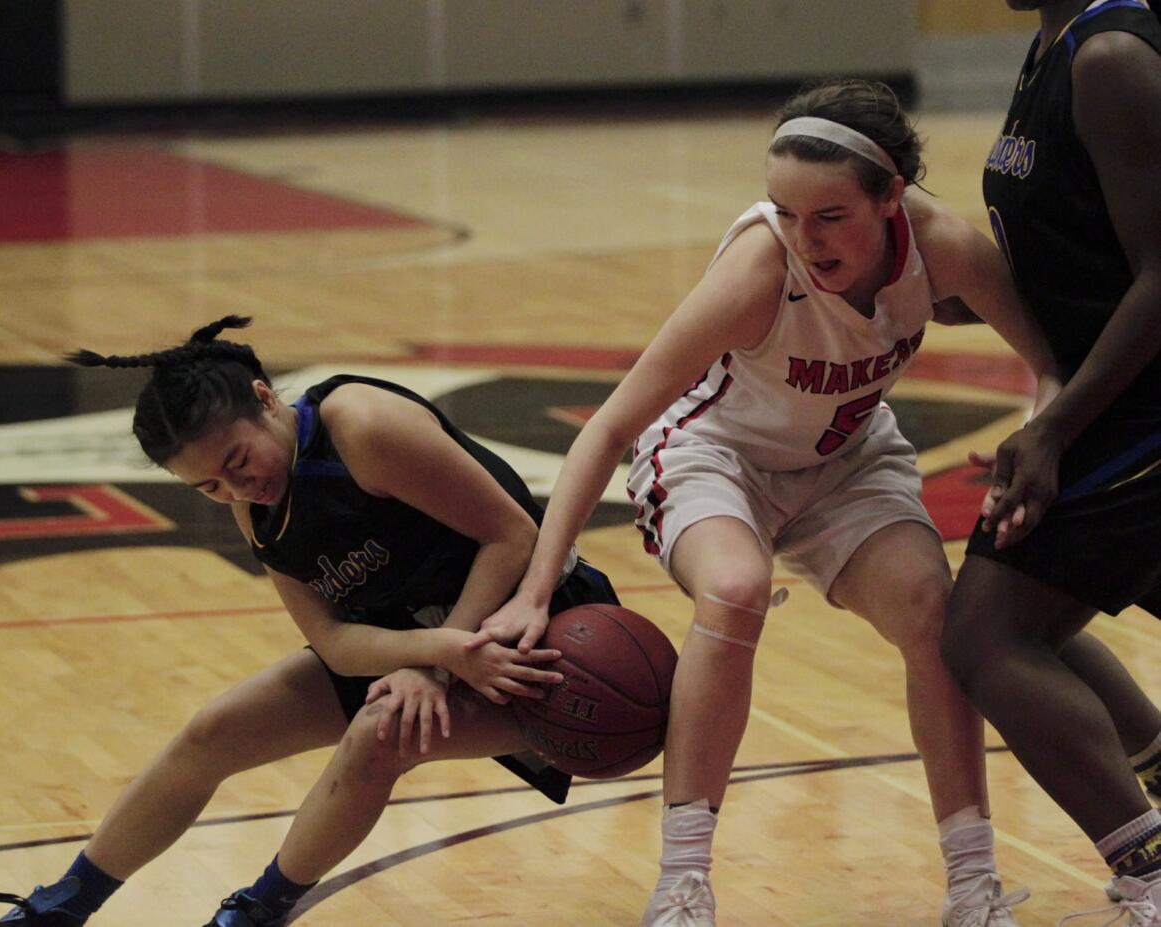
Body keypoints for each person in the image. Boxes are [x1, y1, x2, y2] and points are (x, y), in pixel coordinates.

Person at [466, 78, 1052, 927]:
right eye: (785, 211)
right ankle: (682, 885)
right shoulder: (757, 272)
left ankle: (972, 884)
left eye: (829, 216)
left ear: (892, 197)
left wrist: (1032, 441)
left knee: (935, 612)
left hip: (844, 460)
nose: (804, 239)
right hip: (715, 455)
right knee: (735, 588)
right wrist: (531, 590)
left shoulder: (946, 249)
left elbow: (1052, 363)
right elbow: (606, 428)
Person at [0, 316, 620, 927]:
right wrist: (434, 652)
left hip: (535, 630)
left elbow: (511, 534)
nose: (235, 490)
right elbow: (334, 642)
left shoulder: (362, 428)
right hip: (430, 639)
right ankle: (62, 905)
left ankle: (257, 908)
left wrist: (434, 661)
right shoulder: (254, 511)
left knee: (380, 731)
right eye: (208, 488)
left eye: (235, 462)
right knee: (211, 732)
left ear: (265, 398)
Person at [939, 0, 1161, 922]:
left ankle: (1150, 868)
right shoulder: (1052, 42)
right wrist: (970, 285)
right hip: (1109, 402)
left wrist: (1053, 428)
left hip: (1135, 411)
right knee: (1023, 622)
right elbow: (1081, 233)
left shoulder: (1109, 55)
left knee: (988, 634)